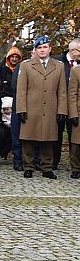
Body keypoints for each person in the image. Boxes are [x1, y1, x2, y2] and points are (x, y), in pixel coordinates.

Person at [17, 36, 67, 179]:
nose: (42, 50)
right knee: (28, 139)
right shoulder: (26, 65)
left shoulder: (59, 66)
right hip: (31, 108)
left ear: (50, 49)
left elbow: (62, 91)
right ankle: (28, 167)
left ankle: (47, 168)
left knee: (48, 139)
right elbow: (21, 90)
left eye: (45, 47)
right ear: (35, 50)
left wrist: (62, 110)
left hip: (50, 109)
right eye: (39, 48)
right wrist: (21, 109)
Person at [53, 38, 80, 169]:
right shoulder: (58, 61)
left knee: (74, 135)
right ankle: (53, 161)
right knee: (56, 133)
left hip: (74, 106)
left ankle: (74, 163)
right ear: (72, 50)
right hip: (58, 104)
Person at [67, 65, 80, 178]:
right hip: (79, 112)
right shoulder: (76, 71)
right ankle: (76, 168)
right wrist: (73, 113)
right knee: (76, 143)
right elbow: (72, 94)